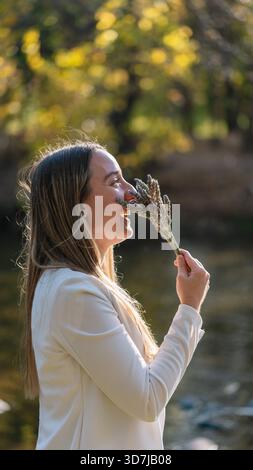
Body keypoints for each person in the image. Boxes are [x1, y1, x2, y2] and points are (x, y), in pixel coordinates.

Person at [18, 140, 210, 450]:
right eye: (113, 182)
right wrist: (189, 308)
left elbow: (146, 387)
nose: (131, 193)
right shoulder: (73, 292)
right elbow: (147, 400)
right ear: (75, 204)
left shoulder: (85, 285)